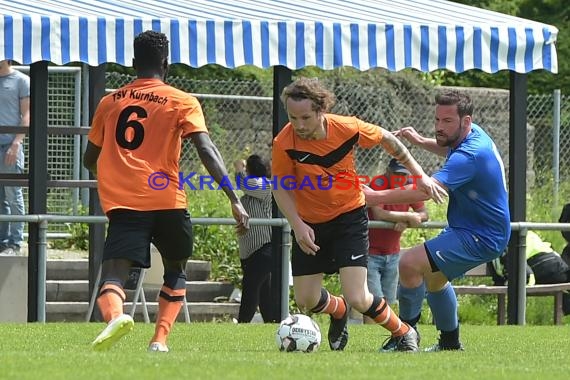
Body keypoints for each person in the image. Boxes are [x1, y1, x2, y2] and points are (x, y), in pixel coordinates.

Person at [83, 30, 249, 353]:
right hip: (168, 201)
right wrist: (233, 197)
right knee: (176, 269)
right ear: (166, 64)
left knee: (113, 275)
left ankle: (116, 316)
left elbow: (90, 158)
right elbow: (206, 149)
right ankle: (159, 340)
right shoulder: (182, 100)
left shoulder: (109, 102)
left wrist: (113, 172)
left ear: (133, 63)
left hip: (125, 204)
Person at [271, 77, 446, 352]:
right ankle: (337, 309)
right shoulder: (284, 142)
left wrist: (420, 175)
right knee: (306, 299)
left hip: (348, 217)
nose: (300, 125)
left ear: (321, 110)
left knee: (359, 297)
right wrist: (297, 224)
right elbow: (280, 187)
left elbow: (389, 140)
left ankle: (404, 332)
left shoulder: (347, 128)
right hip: (310, 224)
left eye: (306, 117)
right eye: (293, 117)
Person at [364, 89, 511, 351]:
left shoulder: (471, 154)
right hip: (476, 230)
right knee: (435, 279)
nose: (439, 127)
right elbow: (449, 149)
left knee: (408, 263)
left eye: (447, 122)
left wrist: (374, 198)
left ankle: (405, 336)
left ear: (465, 121)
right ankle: (450, 342)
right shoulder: (471, 134)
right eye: (437, 120)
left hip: (481, 235)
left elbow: (427, 190)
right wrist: (420, 140)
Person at [364, 158, 428, 324]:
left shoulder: (410, 186)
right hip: (370, 252)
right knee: (374, 301)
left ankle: (388, 335)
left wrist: (408, 220)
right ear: (388, 171)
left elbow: (424, 214)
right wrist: (407, 217)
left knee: (390, 300)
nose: (400, 178)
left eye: (404, 175)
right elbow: (379, 214)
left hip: (393, 253)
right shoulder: (377, 183)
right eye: (397, 174)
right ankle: (369, 333)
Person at [233, 155, 273, 323]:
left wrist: (238, 169)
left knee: (250, 287)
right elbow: (236, 201)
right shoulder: (248, 195)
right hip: (249, 252)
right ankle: (273, 322)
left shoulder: (265, 185)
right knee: (264, 294)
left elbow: (243, 183)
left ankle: (243, 323)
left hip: (264, 248)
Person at [0, 60, 28, 256]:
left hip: (10, 146)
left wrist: (16, 143)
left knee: (13, 195)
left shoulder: (21, 80)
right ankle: (2, 241)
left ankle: (15, 242)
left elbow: (27, 114)